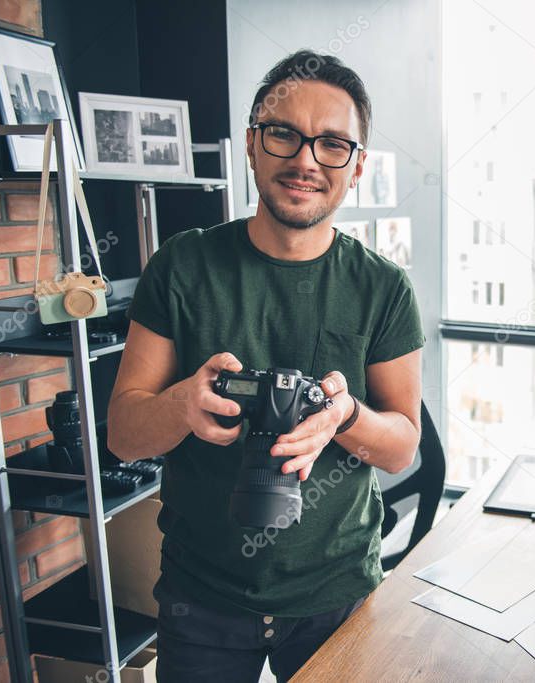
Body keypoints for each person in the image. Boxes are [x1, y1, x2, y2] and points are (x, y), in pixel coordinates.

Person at [107, 50, 425, 683]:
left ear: (356, 167)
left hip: (338, 591)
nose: (306, 160)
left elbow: (400, 448)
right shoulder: (182, 267)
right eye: (284, 133)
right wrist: (183, 405)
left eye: (333, 144)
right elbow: (120, 434)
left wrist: (345, 415)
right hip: (201, 595)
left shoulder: (382, 287)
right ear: (252, 145)